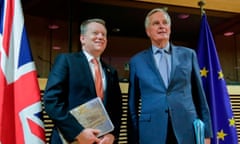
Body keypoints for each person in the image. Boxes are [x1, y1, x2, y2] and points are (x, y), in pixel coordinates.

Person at [127, 8, 212, 144]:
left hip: (186, 130)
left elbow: (200, 96)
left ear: (170, 28)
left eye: (165, 23)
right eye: (156, 23)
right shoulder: (136, 61)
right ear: (148, 31)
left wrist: (207, 133)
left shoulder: (188, 55)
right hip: (151, 131)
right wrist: (133, 138)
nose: (161, 26)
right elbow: (132, 104)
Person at [43, 18, 122, 144]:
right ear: (82, 38)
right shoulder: (67, 61)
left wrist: (112, 135)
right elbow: (52, 101)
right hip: (71, 139)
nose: (100, 37)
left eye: (104, 34)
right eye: (95, 33)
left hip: (102, 141)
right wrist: (78, 132)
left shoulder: (111, 71)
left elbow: (117, 110)